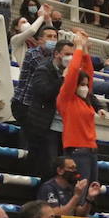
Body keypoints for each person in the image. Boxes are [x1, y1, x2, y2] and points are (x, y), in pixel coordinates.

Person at [56, 29, 102, 194]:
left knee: (92, 194)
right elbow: (74, 71)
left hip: (91, 152)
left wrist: (85, 50)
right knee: (80, 195)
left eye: (85, 84)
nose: (84, 87)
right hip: (77, 152)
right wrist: (78, 47)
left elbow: (88, 72)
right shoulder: (66, 98)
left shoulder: (85, 101)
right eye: (81, 84)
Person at [22, 37, 71, 179]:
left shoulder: (70, 73)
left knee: (62, 169)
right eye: (67, 54)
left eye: (72, 54)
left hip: (63, 127)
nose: (70, 58)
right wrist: (62, 79)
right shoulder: (43, 69)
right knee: (48, 167)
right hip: (45, 127)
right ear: (56, 54)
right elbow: (45, 93)